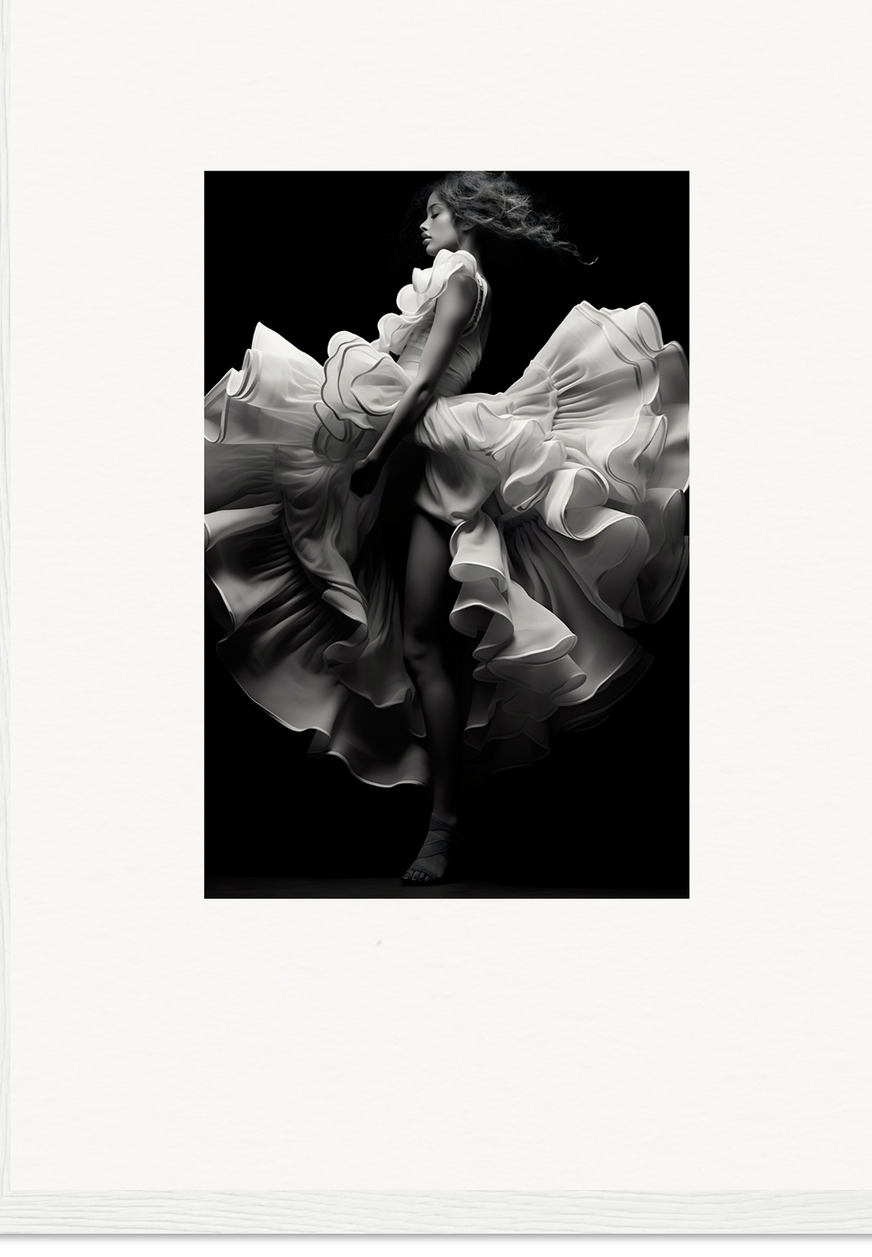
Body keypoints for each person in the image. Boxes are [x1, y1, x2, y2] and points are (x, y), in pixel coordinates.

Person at [204, 173, 689, 886]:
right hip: (405, 451)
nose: (423, 225)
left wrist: (370, 453)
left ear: (465, 218)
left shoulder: (462, 279)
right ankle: (453, 801)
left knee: (431, 644)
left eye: (434, 213)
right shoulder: (438, 280)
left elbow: (426, 383)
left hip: (431, 451)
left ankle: (446, 822)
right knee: (411, 635)